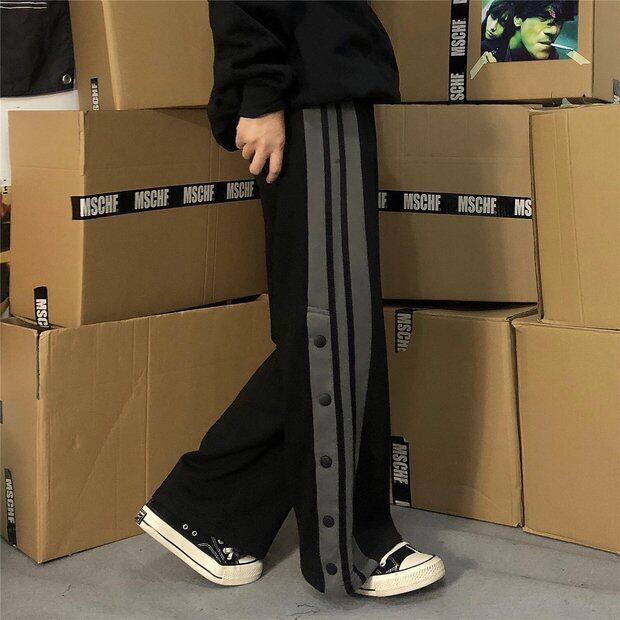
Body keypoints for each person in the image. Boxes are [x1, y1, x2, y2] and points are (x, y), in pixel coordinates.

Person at [135, 0, 445, 598]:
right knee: (336, 327)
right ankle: (354, 543)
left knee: (330, 323)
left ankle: (211, 511)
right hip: (307, 95)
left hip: (320, 87)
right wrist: (261, 93)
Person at [502, 0, 578, 61]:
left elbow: (583, 63)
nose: (554, 31)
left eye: (560, 22)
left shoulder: (553, 57)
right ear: (518, 19)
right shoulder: (497, 47)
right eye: (543, 17)